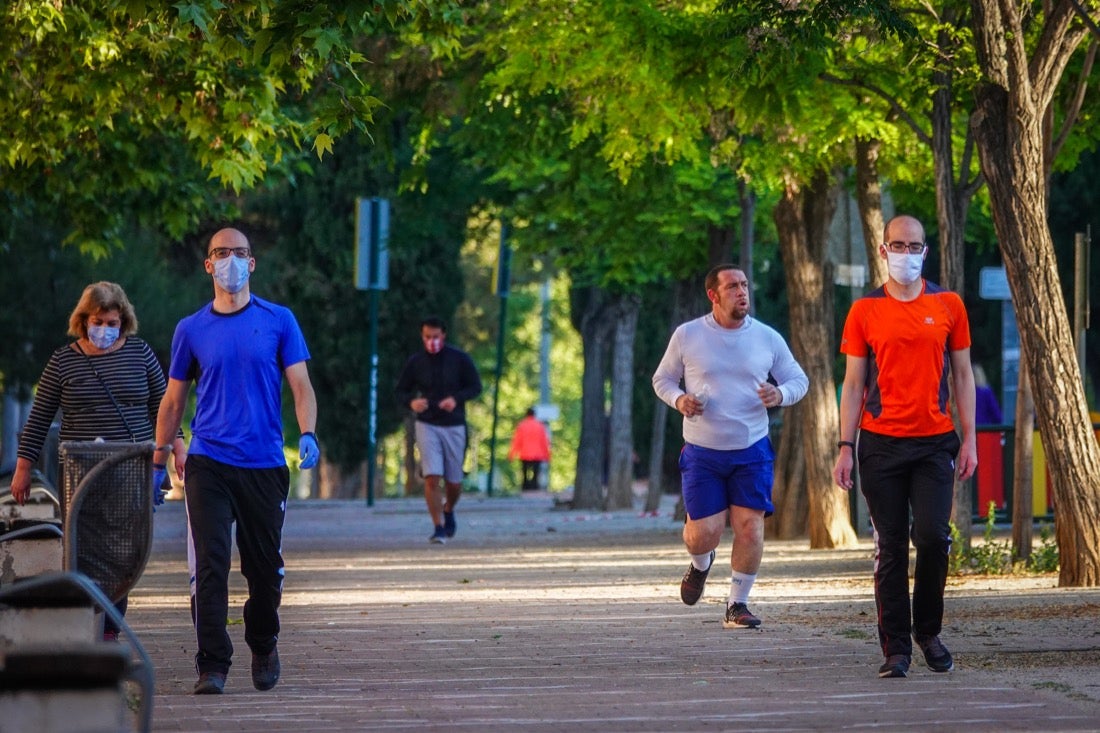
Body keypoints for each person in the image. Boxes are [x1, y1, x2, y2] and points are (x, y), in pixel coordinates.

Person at [156, 227, 319, 695]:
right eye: (221, 253)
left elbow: (302, 386)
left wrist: (307, 432)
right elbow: (172, 402)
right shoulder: (191, 329)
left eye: (240, 253)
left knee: (264, 569)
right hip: (209, 462)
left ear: (253, 263)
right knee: (210, 562)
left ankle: (263, 641)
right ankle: (212, 663)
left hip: (265, 463)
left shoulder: (279, 320)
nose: (231, 260)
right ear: (208, 264)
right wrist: (157, 459)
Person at [832, 214, 977, 679]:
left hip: (936, 442)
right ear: (883, 250)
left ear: (925, 252)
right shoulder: (864, 311)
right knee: (890, 546)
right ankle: (896, 648)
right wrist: (844, 445)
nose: (907, 254)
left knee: (934, 536)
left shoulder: (949, 304)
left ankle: (928, 631)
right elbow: (853, 384)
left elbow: (962, 374)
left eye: (915, 246)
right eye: (898, 245)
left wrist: (970, 438)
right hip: (880, 445)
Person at [10, 281, 185, 641]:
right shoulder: (63, 361)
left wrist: (177, 448)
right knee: (85, 549)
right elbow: (40, 416)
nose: (105, 329)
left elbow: (163, 406)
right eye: (98, 321)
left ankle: (108, 629)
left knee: (124, 550)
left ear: (124, 321)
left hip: (131, 469)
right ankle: (92, 620)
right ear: (83, 320)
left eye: (112, 322)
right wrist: (23, 469)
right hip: (80, 472)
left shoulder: (140, 354)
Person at [652, 264, 808, 629]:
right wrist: (680, 400)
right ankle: (700, 563)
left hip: (751, 448)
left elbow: (799, 380)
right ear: (714, 295)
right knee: (703, 533)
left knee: (751, 528)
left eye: (744, 285)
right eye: (732, 286)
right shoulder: (688, 335)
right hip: (703, 451)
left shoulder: (767, 338)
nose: (742, 292)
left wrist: (780, 394)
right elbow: (662, 379)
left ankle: (737, 604)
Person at [395, 316, 482, 543]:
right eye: (427, 337)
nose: (431, 341)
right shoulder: (416, 362)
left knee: (454, 481)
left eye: (435, 337)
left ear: (443, 335)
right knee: (432, 476)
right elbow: (400, 391)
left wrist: (456, 399)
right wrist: (411, 403)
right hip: (427, 424)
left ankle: (449, 508)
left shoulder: (460, 359)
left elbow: (475, 386)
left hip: (454, 425)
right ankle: (438, 527)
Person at [507, 408, 551, 491]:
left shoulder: (522, 425)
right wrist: (547, 455)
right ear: (534, 414)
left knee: (525, 473)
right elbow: (544, 441)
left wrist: (511, 454)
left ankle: (525, 487)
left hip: (525, 454)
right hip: (538, 455)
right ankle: (535, 487)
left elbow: (517, 441)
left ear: (526, 414)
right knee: (536, 473)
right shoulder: (540, 426)